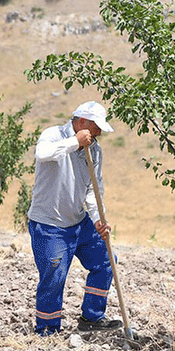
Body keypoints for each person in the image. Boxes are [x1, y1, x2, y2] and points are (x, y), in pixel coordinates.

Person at [26, 101, 122, 336]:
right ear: (81, 122)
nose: (98, 133)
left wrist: (98, 218)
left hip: (79, 223)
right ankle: (48, 331)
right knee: (55, 275)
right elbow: (43, 154)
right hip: (49, 225)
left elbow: (93, 189)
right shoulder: (53, 135)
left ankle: (92, 317)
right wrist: (74, 142)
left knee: (106, 260)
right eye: (95, 127)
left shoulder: (95, 150)